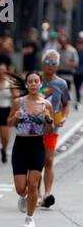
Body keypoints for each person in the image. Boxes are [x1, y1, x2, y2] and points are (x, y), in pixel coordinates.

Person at [6, 72, 54, 227]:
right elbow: (8, 123)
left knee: (33, 184)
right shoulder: (18, 102)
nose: (33, 84)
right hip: (20, 145)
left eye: (36, 81)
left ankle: (30, 217)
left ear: (41, 84)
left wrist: (49, 120)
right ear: (26, 85)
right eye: (30, 82)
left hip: (37, 146)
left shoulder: (46, 105)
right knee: (21, 188)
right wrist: (15, 117)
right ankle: (26, 196)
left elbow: (49, 130)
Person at [37, 49, 70, 208]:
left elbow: (66, 105)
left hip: (52, 129)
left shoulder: (61, 84)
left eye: (53, 63)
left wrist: (63, 117)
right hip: (34, 129)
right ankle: (35, 195)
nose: (50, 66)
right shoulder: (35, 81)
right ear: (43, 63)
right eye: (48, 63)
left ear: (57, 66)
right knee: (36, 162)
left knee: (49, 160)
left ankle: (47, 194)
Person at [73, 35, 83, 110]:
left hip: (81, 72)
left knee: (80, 88)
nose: (79, 45)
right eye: (79, 43)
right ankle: (78, 100)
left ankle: (79, 100)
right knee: (77, 88)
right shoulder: (75, 51)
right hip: (76, 72)